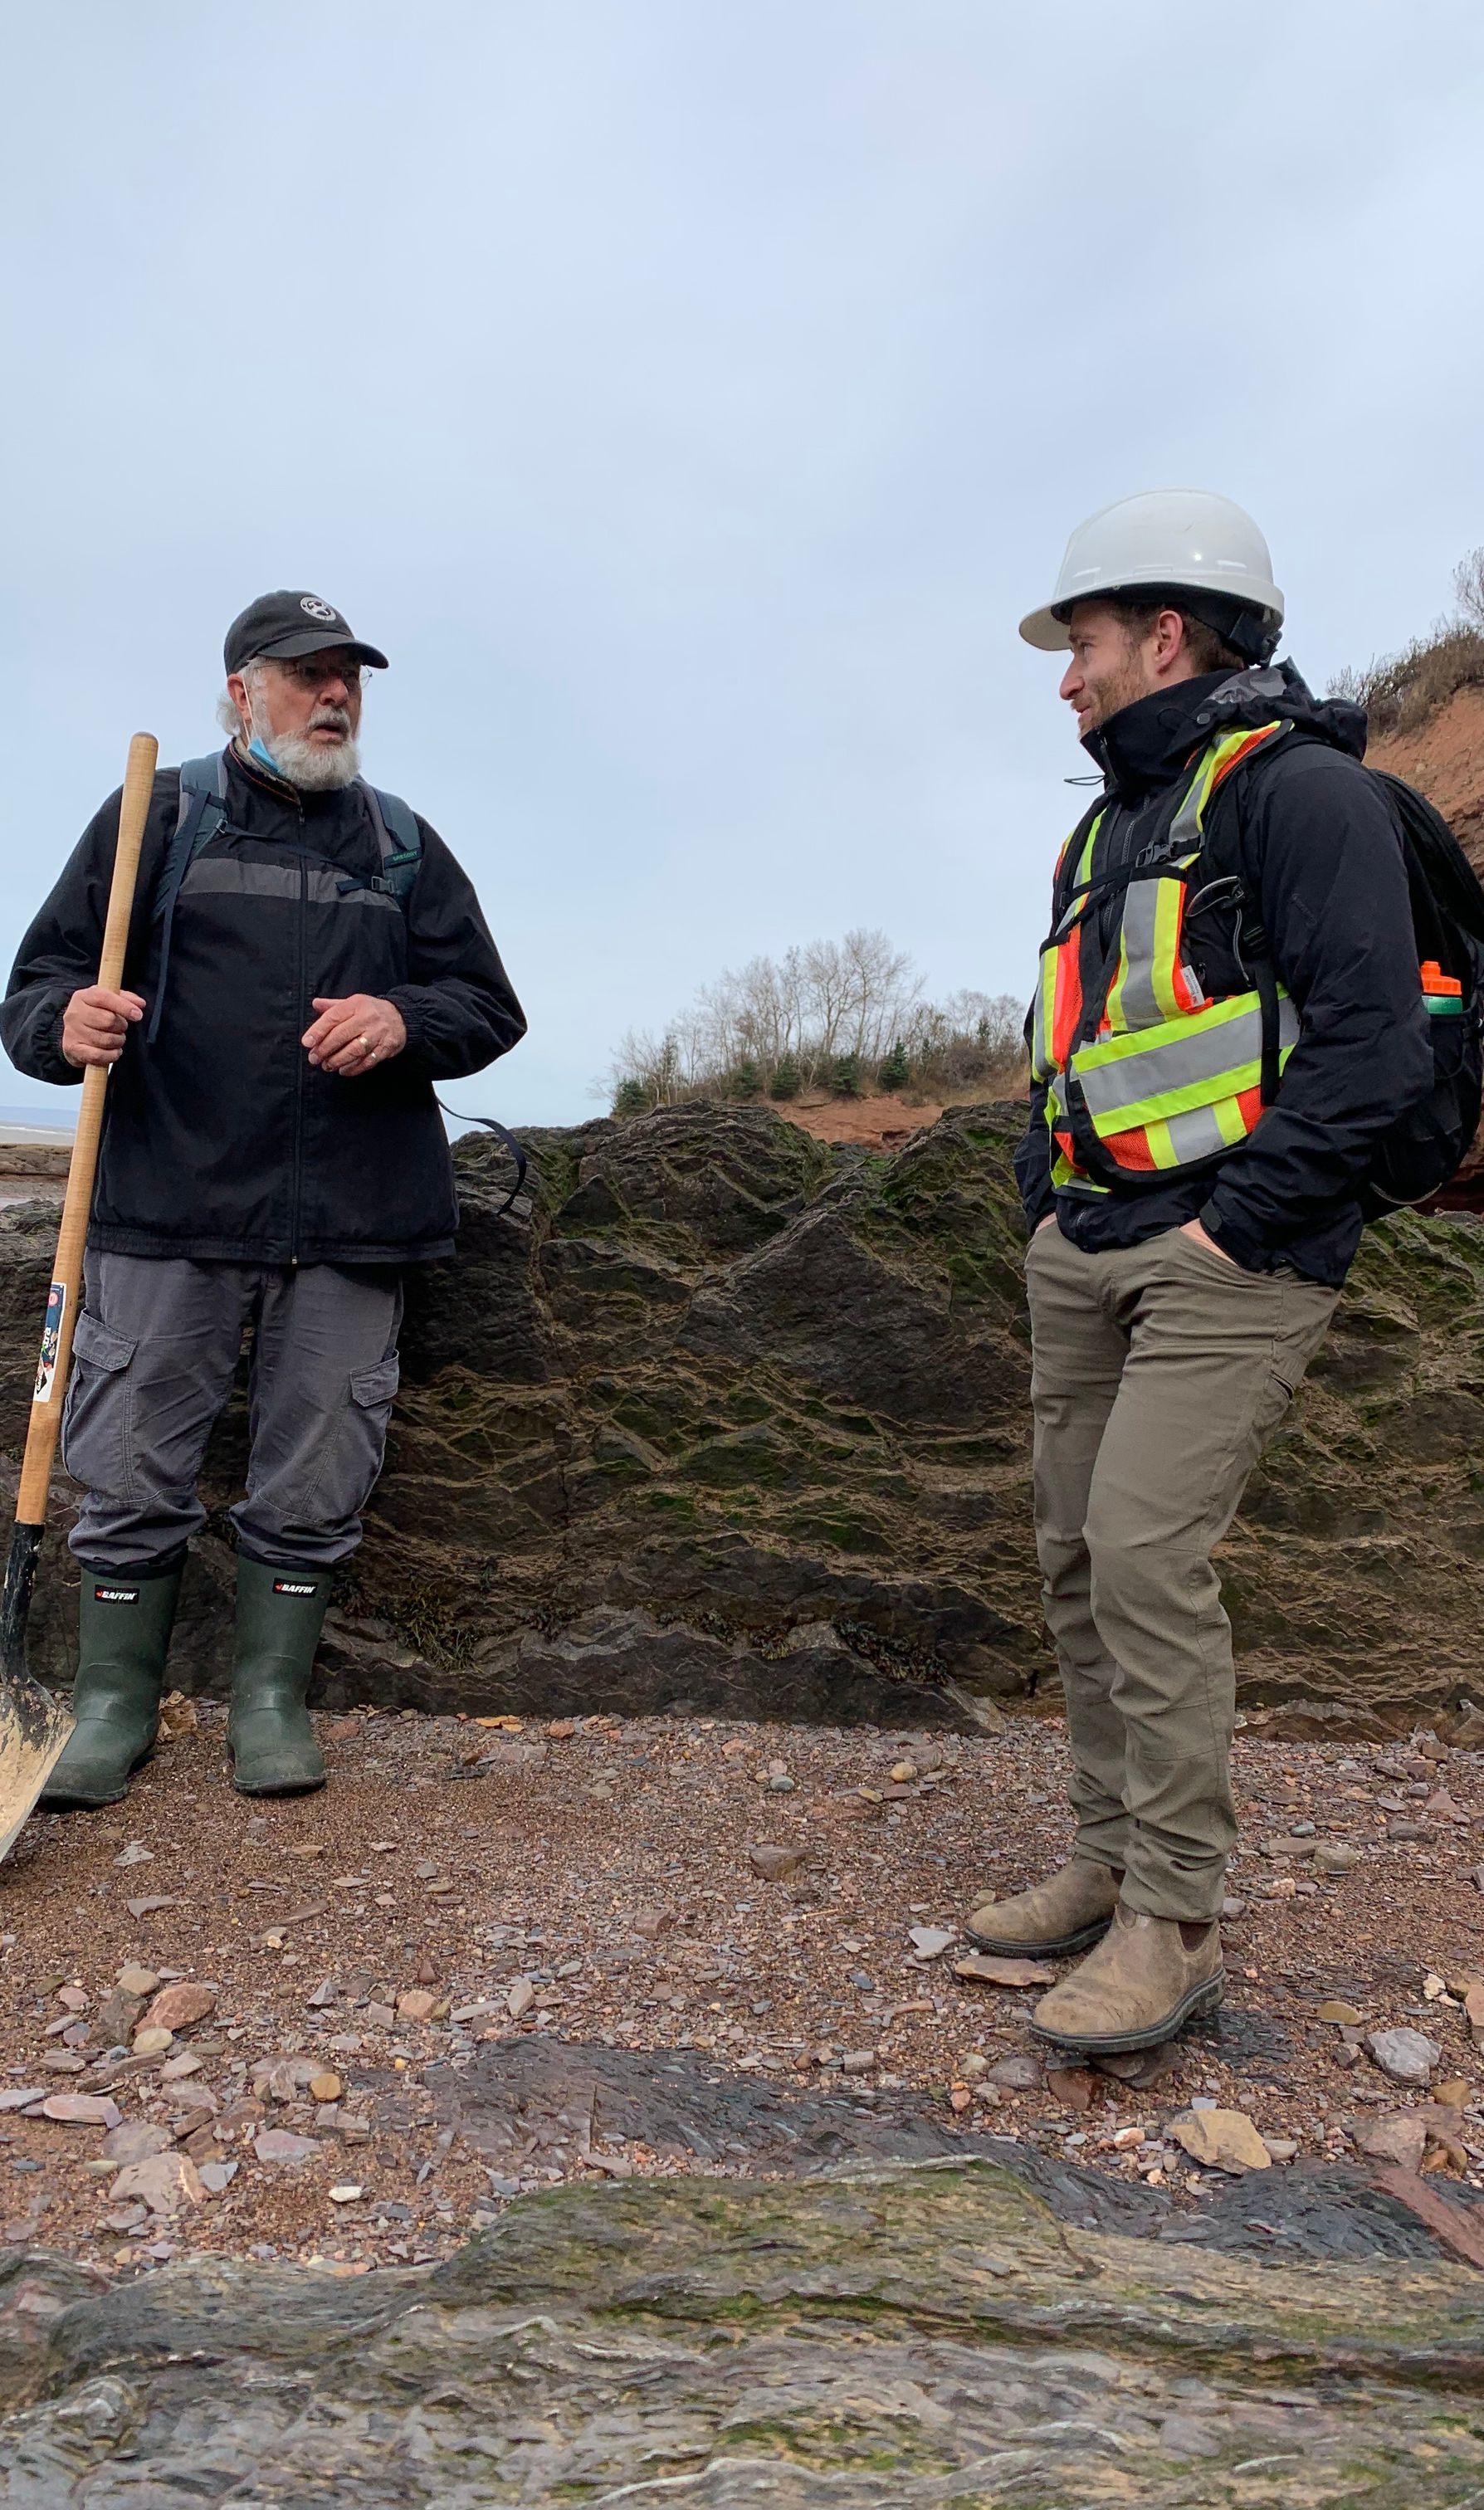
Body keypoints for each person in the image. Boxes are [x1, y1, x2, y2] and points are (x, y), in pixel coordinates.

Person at [965, 491, 1433, 2053]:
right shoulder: (1104, 829)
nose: (1066, 679)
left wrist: (1232, 1229)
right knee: (1074, 1558)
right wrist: (1049, 1205)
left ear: (1166, 634)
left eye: (1083, 642)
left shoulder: (1305, 796)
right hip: (1088, 1242)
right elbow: (1079, 1045)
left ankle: (1174, 1918)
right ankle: (1107, 1859)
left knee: (1145, 1558)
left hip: (1229, 1254)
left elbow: (1372, 1051)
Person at [2, 590, 525, 1809]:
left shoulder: (401, 842)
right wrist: (64, 1023)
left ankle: (270, 1701)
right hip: (164, 1211)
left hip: (354, 1223)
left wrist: (403, 1017)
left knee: (318, 1473)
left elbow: (487, 1008)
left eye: (350, 677)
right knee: (129, 1468)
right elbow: (36, 989)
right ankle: (112, 1705)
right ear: (243, 691)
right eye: (306, 674)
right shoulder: (157, 813)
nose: (335, 695)